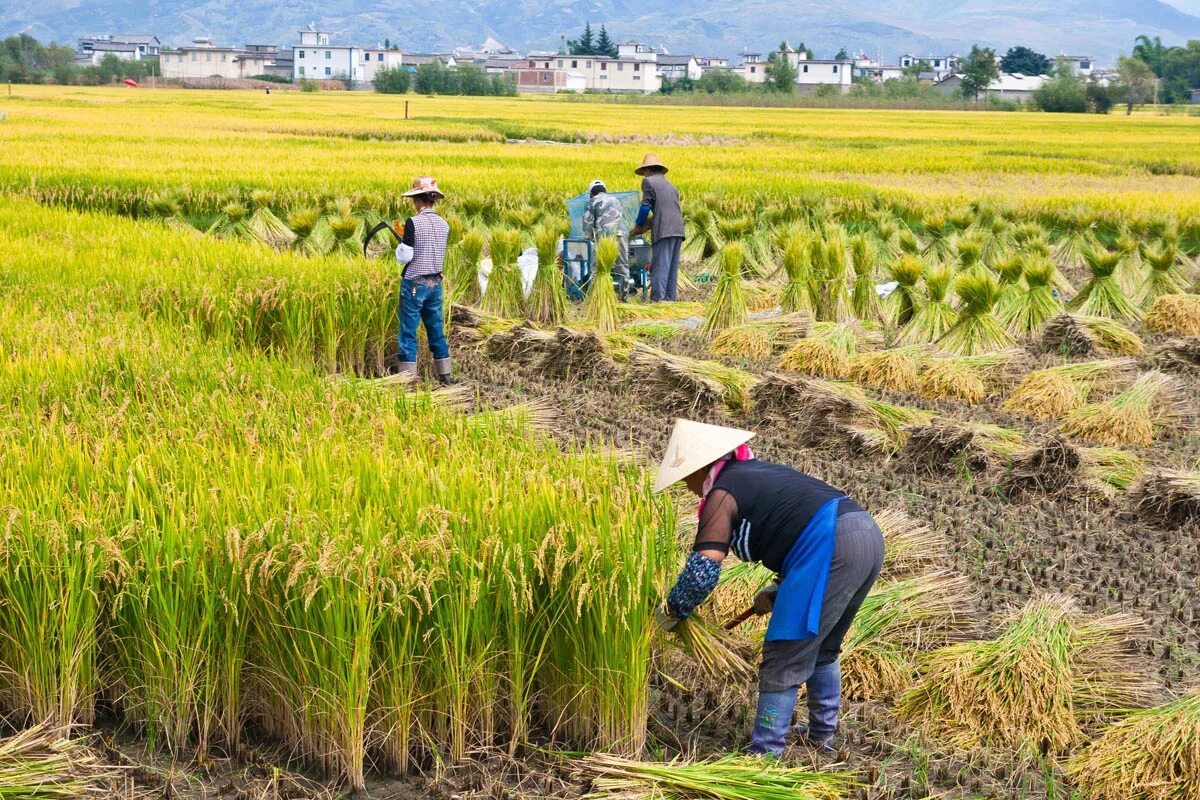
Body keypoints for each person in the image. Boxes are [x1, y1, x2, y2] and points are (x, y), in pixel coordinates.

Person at [654, 419, 885, 757]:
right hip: (865, 536)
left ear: (701, 468)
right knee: (823, 646)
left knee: (784, 654)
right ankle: (821, 735)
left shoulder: (722, 493)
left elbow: (703, 569)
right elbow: (793, 523)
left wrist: (673, 610)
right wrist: (779, 587)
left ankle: (765, 752)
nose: (686, 486)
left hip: (828, 545)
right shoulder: (754, 474)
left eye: (685, 476)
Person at [396, 176, 452, 384]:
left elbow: (405, 256)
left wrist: (401, 245)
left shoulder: (414, 222)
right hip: (435, 284)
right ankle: (445, 374)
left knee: (408, 331)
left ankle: (406, 378)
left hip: (415, 284)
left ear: (418, 200)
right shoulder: (444, 224)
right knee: (436, 328)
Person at [629, 153, 684, 302]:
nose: (644, 175)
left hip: (664, 229)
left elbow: (645, 207)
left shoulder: (648, 182)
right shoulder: (671, 185)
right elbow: (665, 209)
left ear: (647, 170)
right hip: (678, 228)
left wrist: (638, 225)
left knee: (660, 266)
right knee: (671, 268)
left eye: (644, 172)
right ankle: (669, 300)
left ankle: (657, 301)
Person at [581, 179, 631, 298]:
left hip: (604, 236)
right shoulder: (616, 200)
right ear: (605, 190)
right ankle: (624, 296)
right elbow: (624, 219)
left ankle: (596, 297)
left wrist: (591, 238)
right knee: (622, 265)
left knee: (598, 267)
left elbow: (587, 225)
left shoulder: (592, 201)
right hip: (621, 234)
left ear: (591, 193)